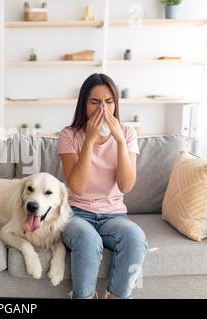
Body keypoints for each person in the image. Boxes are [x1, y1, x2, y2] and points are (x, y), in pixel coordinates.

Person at [58, 73, 148, 299]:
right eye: (95, 102)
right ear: (83, 104)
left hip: (114, 216)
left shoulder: (127, 134)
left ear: (116, 104)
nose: (102, 110)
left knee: (135, 238)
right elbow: (77, 187)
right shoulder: (69, 135)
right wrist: (88, 140)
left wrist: (118, 141)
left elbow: (126, 185)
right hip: (77, 214)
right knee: (88, 240)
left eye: (109, 102)